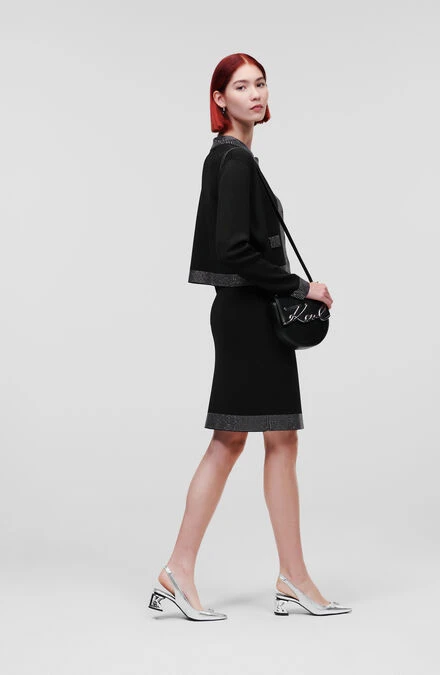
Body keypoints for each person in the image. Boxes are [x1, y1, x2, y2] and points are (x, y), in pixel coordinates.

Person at [148, 53, 351, 621]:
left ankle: (286, 576)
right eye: (241, 86)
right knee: (236, 440)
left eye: (260, 83)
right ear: (220, 100)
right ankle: (190, 570)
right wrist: (302, 287)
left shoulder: (230, 158)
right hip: (249, 318)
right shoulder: (233, 161)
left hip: (245, 314)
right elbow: (234, 250)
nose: (255, 94)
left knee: (271, 439)